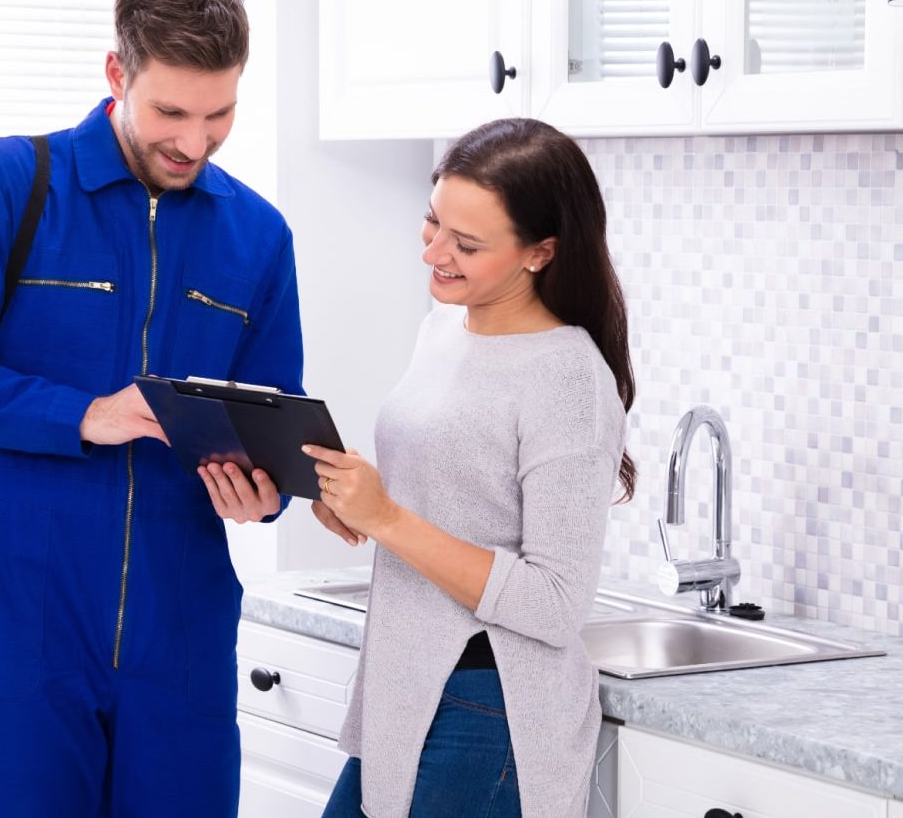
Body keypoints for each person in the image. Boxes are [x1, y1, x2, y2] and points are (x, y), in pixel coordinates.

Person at [0, 0, 303, 817]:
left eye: (219, 114)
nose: (195, 143)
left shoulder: (258, 235)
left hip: (180, 630)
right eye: (171, 113)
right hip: (17, 621)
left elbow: (272, 417)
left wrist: (265, 494)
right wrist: (86, 415)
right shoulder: (5, 183)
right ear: (118, 74)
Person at [205, 117, 636, 818]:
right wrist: (350, 497)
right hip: (405, 685)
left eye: (467, 244)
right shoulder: (443, 329)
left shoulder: (567, 379)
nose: (435, 252)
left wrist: (387, 519)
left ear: (540, 252)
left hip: (489, 702)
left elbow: (555, 604)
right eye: (433, 222)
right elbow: (452, 494)